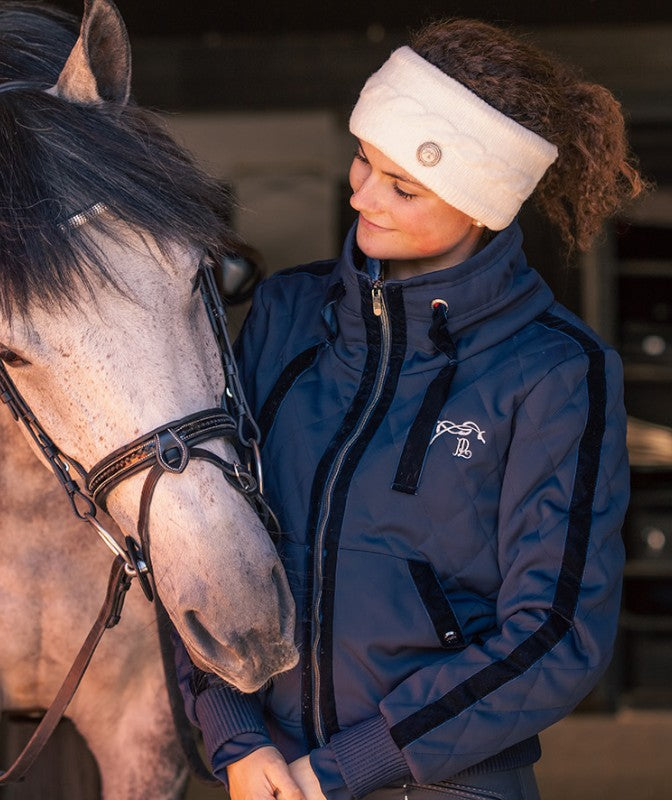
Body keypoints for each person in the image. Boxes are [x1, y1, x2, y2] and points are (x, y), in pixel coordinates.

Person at [175, 18, 645, 800]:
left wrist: (347, 769)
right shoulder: (288, 316)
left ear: (482, 206)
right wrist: (235, 733)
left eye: (403, 185)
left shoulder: (556, 371)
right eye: (364, 159)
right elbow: (201, 539)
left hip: (447, 784)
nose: (361, 193)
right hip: (266, 779)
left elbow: (558, 632)